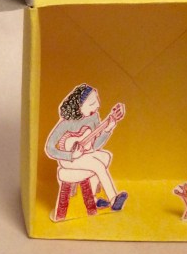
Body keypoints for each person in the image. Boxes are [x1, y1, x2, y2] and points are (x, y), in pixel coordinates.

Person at [45, 84, 128, 212]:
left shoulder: (93, 117)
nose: (97, 105)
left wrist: (108, 128)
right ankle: (113, 199)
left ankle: (92, 199)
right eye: (92, 103)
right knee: (98, 165)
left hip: (85, 155)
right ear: (79, 107)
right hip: (68, 160)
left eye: (97, 101)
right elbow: (49, 148)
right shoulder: (66, 123)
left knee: (106, 156)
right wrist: (71, 155)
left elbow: (94, 146)